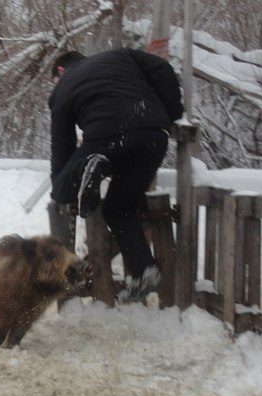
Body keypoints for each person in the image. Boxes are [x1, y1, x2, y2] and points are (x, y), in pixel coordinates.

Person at [48, 48, 183, 301]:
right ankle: (145, 271)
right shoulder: (121, 55)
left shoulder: (63, 85)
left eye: (55, 81)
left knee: (61, 188)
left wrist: (63, 182)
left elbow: (62, 147)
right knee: (118, 208)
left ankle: (94, 170)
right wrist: (172, 113)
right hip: (153, 135)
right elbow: (162, 69)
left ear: (61, 71)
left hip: (106, 137)